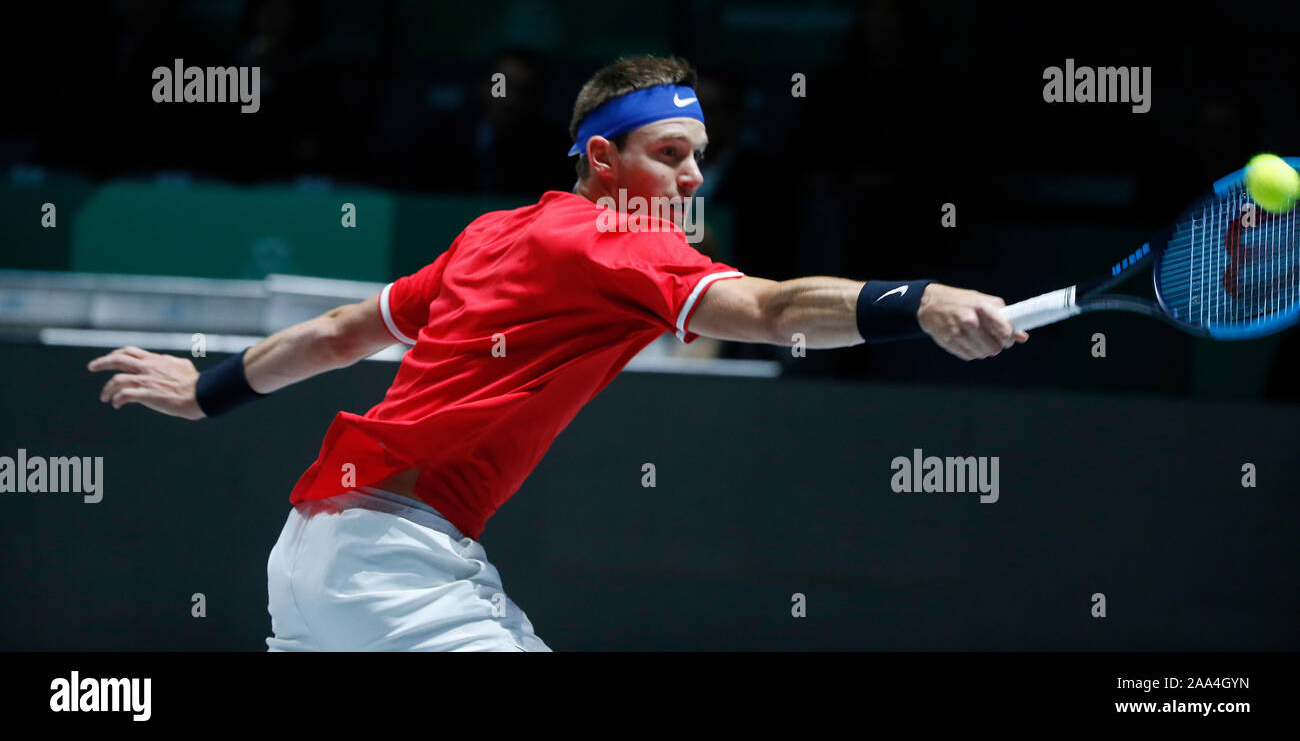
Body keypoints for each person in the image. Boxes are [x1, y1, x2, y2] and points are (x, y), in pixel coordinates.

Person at [85, 54, 1028, 651]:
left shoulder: (492, 235)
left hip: (305, 562)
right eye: (669, 152)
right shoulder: (623, 243)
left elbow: (339, 336)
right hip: (398, 573)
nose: (693, 175)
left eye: (700, 154)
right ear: (603, 159)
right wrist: (921, 299)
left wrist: (207, 392)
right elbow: (777, 310)